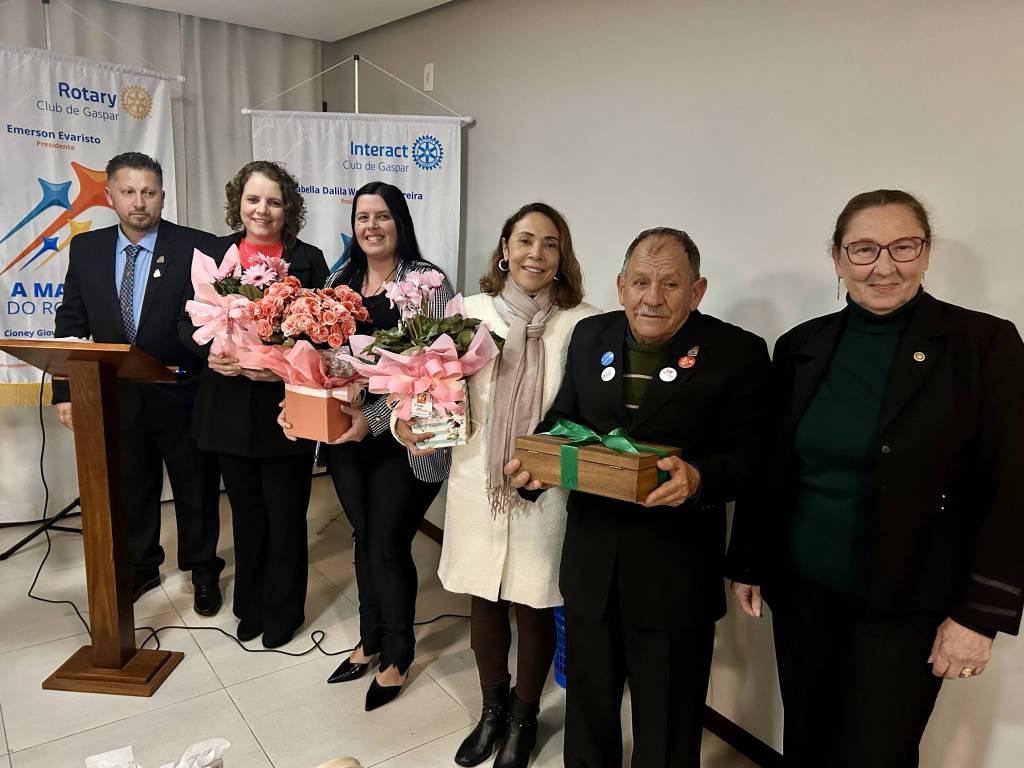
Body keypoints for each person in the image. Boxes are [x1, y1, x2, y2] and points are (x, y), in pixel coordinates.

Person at [727, 189, 1024, 768]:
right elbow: (773, 465)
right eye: (863, 249)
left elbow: (1014, 488)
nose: (883, 266)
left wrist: (980, 616)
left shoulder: (984, 346)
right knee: (808, 741)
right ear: (838, 259)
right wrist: (749, 559)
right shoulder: (801, 346)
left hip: (911, 602)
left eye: (902, 247)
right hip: (805, 595)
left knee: (879, 753)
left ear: (926, 253)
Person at [506, 228, 771, 768]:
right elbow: (565, 418)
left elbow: (757, 458)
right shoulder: (591, 335)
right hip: (592, 564)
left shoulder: (737, 352)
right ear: (621, 285)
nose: (653, 297)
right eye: (641, 282)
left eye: (670, 283)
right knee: (588, 715)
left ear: (697, 291)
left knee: (668, 726)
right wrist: (540, 466)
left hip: (675, 574)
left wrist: (699, 479)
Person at [396, 203, 598, 768]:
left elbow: (589, 411)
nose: (537, 253)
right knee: (482, 597)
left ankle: (524, 716)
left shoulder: (584, 323)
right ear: (505, 248)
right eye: (525, 240)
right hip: (476, 479)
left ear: (562, 256)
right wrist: (411, 422)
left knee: (534, 601)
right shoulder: (468, 312)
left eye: (550, 244)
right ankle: (492, 711)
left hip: (545, 487)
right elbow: (430, 386)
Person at [54, 151, 224, 615]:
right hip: (119, 394)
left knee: (195, 487)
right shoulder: (86, 249)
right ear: (109, 196)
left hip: (183, 392)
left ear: (163, 196)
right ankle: (144, 566)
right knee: (133, 487)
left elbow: (211, 319)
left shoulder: (197, 246)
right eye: (128, 192)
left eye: (148, 192)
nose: (139, 202)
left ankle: (203, 570)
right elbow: (71, 321)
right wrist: (65, 391)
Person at [308, 181, 453, 710]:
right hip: (348, 437)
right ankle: (369, 640)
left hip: (405, 438)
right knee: (365, 537)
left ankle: (397, 653)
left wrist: (371, 418)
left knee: (388, 544)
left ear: (400, 223)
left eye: (383, 216)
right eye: (362, 217)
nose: (371, 226)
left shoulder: (426, 282)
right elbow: (325, 357)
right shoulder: (338, 281)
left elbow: (433, 374)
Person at [183, 160, 329, 648]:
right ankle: (250, 606)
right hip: (228, 408)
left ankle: (284, 610)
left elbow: (325, 332)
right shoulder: (215, 255)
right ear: (238, 204)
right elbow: (185, 320)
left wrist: (284, 363)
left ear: (289, 208)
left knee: (286, 519)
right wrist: (209, 353)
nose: (262, 210)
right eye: (253, 199)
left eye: (273, 201)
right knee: (246, 519)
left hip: (286, 410)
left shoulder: (308, 258)